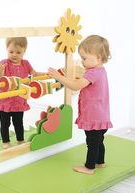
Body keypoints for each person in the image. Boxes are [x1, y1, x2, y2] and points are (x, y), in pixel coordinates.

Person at [48, 35, 113, 174]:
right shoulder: (100, 70)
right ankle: (100, 162)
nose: (82, 61)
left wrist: (58, 77)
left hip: (93, 116)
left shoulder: (92, 74)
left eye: (84, 58)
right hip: (101, 116)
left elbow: (75, 86)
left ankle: (89, 167)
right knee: (99, 140)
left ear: (99, 58)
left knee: (92, 143)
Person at [0, 37, 45, 149]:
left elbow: (34, 74)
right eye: (11, 52)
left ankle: (20, 139)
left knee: (18, 123)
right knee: (5, 124)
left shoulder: (26, 64)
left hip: (19, 101)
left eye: (18, 52)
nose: (14, 55)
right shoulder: (4, 63)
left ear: (24, 52)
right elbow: (0, 77)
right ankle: (6, 141)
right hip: (5, 102)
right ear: (7, 50)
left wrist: (46, 74)